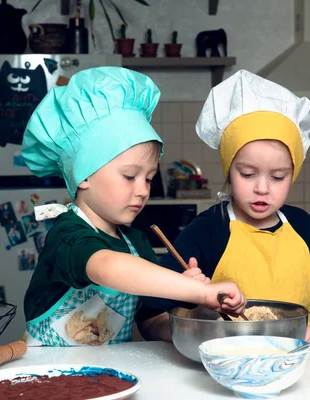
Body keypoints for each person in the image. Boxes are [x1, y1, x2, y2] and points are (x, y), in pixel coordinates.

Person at [20, 67, 247, 346]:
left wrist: (191, 312)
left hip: (109, 381)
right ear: (84, 175)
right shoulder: (68, 235)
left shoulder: (136, 243)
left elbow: (150, 325)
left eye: (149, 179)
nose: (143, 190)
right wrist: (195, 290)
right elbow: (106, 267)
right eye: (129, 176)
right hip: (48, 378)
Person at [140, 70, 310, 351]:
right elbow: (147, 316)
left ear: (293, 174)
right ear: (229, 170)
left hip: (301, 362)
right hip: (223, 367)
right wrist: (190, 310)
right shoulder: (207, 230)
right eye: (248, 174)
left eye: (278, 177)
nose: (262, 188)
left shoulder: (304, 227)